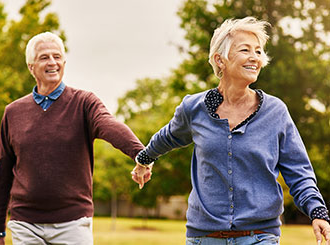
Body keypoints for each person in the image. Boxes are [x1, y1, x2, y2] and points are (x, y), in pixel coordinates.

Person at [131, 17, 330, 244]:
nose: (255, 57)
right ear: (220, 60)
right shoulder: (194, 109)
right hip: (204, 237)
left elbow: (298, 170)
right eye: (245, 50)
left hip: (259, 237)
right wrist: (143, 160)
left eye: (258, 51)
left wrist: (317, 211)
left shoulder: (276, 112)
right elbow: (167, 137)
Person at [0, 32, 144, 245]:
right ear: (31, 66)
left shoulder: (84, 103)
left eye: (57, 56)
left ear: (64, 62)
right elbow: (3, 173)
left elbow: (109, 125)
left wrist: (141, 154)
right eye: (44, 57)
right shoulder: (13, 112)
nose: (52, 62)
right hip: (25, 224)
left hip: (73, 223)